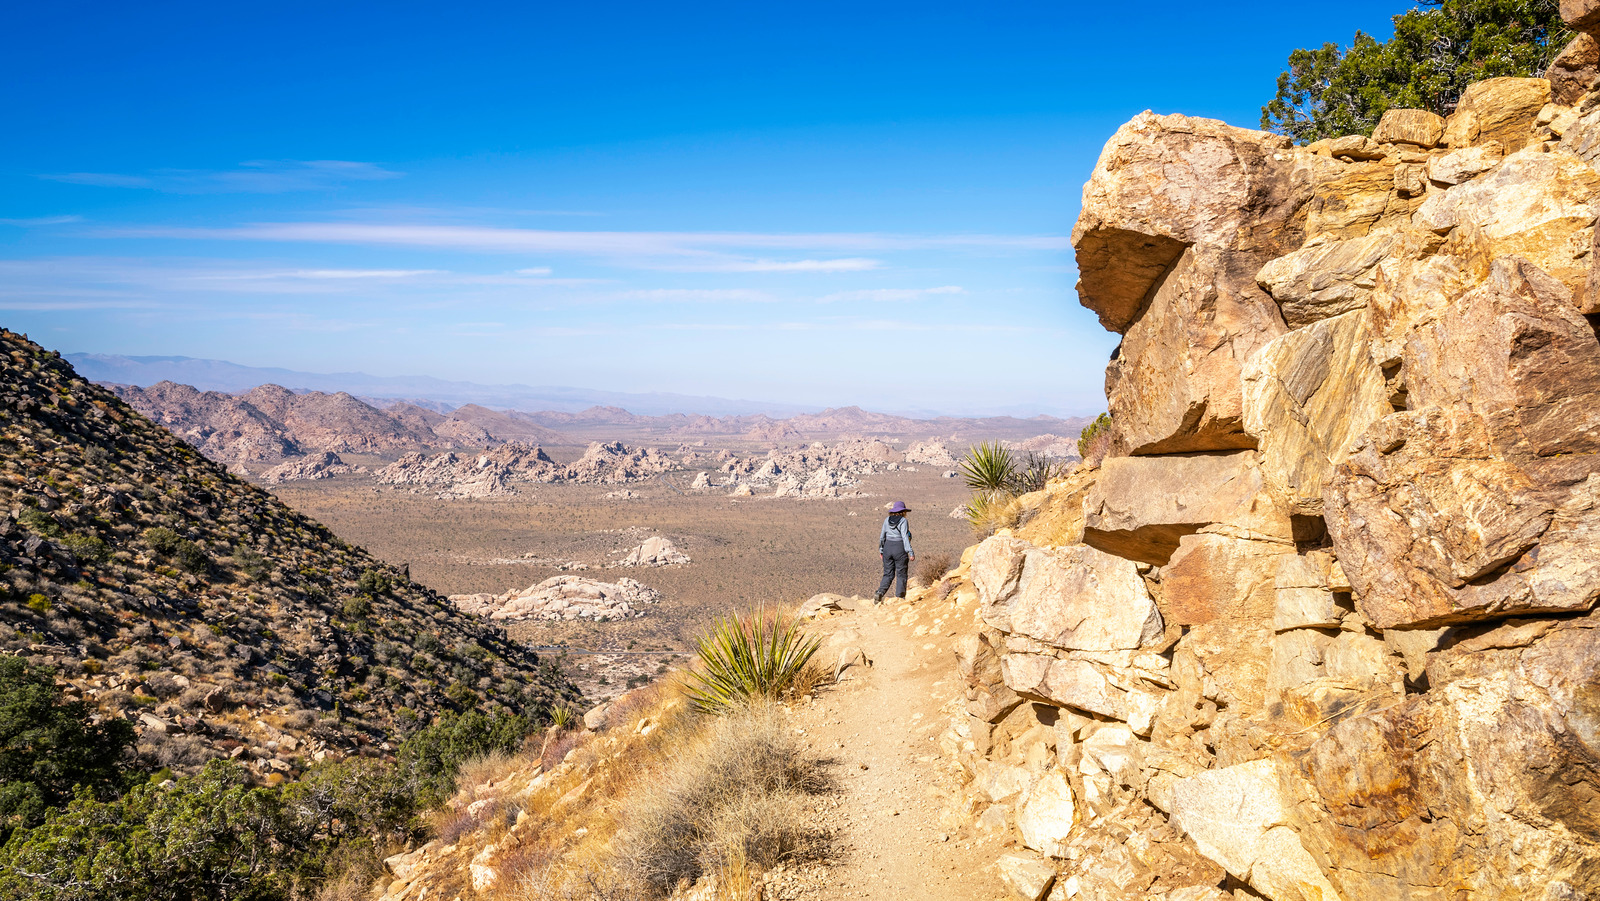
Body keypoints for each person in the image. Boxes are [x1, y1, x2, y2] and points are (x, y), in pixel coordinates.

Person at [875, 501, 914, 602]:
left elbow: (882, 537)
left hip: (888, 548)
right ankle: (900, 597)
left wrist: (881, 550)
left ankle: (879, 593)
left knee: (888, 573)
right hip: (899, 548)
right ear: (903, 512)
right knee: (901, 573)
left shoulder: (887, 520)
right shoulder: (903, 521)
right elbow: (905, 537)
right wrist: (910, 552)